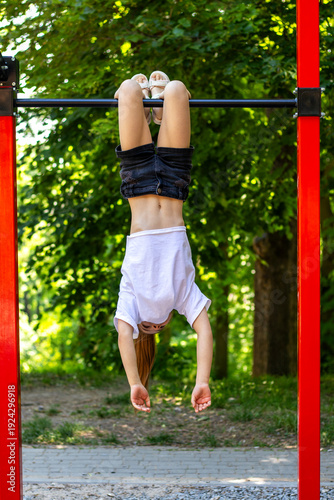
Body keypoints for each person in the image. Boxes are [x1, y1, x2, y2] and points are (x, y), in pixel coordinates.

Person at [113, 71, 213, 414]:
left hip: (138, 184)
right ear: (170, 320)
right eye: (159, 325)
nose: (153, 322)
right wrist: (202, 379)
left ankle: (143, 110)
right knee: (176, 89)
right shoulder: (183, 296)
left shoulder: (132, 299)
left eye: (146, 326)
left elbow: (125, 336)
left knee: (127, 89)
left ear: (140, 323)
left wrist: (135, 382)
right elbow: (204, 333)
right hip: (174, 183)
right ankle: (158, 112)